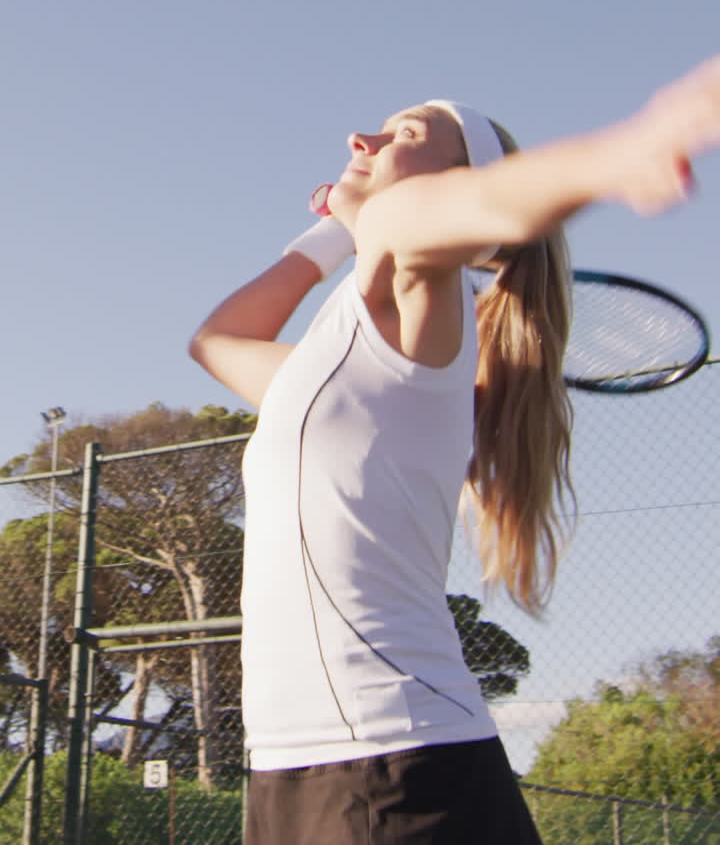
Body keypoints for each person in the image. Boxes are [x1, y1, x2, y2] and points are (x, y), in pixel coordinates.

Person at [189, 57, 720, 845]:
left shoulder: (416, 288)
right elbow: (218, 341)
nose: (362, 136)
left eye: (406, 133)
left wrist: (624, 152)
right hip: (303, 766)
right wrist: (335, 226)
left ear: (452, 189)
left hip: (394, 769)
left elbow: (461, 211)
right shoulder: (341, 361)